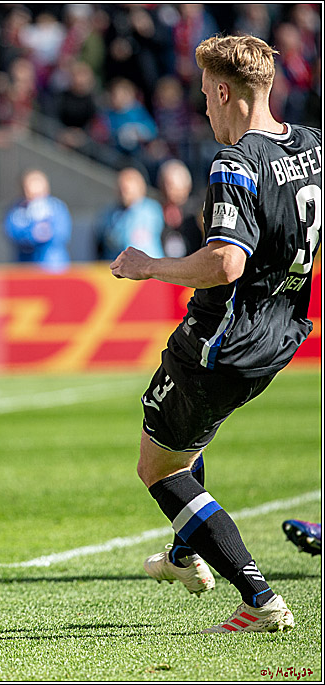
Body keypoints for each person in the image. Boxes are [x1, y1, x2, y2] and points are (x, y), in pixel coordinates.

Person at [110, 34, 321, 633]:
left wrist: (147, 266)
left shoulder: (236, 163)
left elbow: (225, 262)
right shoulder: (314, 144)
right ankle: (186, 553)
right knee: (188, 438)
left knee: (160, 467)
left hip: (221, 340)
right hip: (282, 333)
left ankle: (258, 598)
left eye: (206, 94)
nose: (204, 106)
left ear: (225, 91)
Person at [3, 169, 73, 271]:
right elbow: (11, 231)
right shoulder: (17, 210)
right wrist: (31, 234)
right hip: (25, 266)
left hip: (53, 266)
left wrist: (45, 234)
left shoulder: (56, 207)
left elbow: (62, 233)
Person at [95, 167, 165, 260]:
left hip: (148, 266)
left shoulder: (151, 211)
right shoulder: (110, 213)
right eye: (121, 189)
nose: (124, 194)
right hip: (116, 267)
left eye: (126, 189)